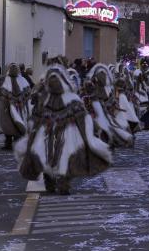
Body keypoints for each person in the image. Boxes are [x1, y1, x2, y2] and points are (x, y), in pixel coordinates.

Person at [15, 57, 112, 195]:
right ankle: (58, 183)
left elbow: (80, 114)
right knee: (58, 158)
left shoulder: (54, 96)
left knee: (55, 158)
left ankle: (57, 183)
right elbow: (81, 115)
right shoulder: (53, 96)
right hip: (56, 132)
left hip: (58, 132)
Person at [0, 63, 31, 150]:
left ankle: (13, 143)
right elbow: (0, 91)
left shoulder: (20, 80)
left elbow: (27, 92)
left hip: (15, 106)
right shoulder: (8, 79)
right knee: (11, 124)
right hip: (10, 106)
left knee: (14, 124)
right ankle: (11, 143)